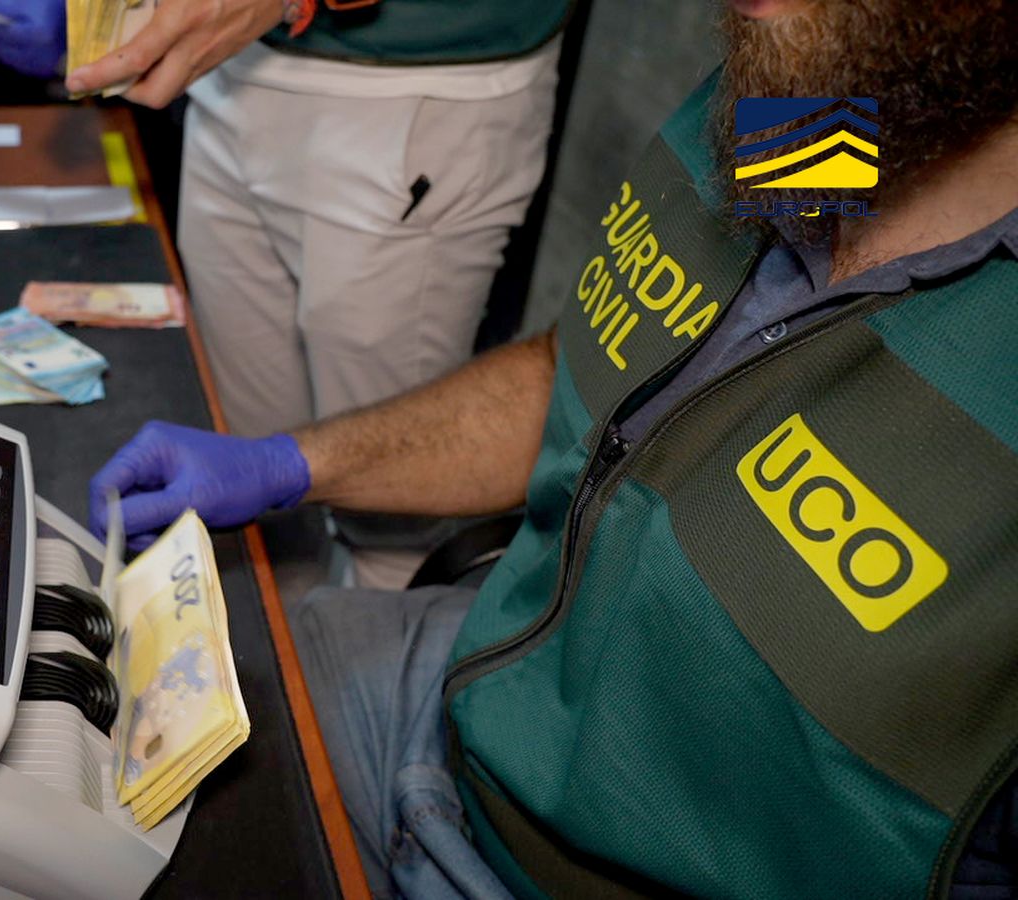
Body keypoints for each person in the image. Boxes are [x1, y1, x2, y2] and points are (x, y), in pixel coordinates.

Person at [87, 0, 1018, 894]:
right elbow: (601, 359)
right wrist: (296, 461)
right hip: (458, 695)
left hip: (529, 872)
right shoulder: (825, 106)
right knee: (93, 732)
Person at [0, 0, 568, 589]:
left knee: (385, 506)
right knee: (244, 456)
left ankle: (358, 649)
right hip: (228, 67)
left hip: (403, 89)